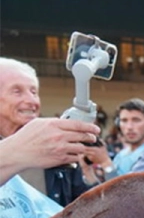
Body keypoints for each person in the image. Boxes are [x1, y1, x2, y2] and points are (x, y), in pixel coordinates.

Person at [0, 57, 98, 207]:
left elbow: (84, 207)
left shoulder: (58, 146)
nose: (31, 101)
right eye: (17, 92)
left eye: (34, 92)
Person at [89, 98, 144, 178]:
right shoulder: (120, 156)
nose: (129, 127)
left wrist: (105, 163)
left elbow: (126, 189)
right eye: (124, 120)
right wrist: (87, 170)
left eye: (136, 120)